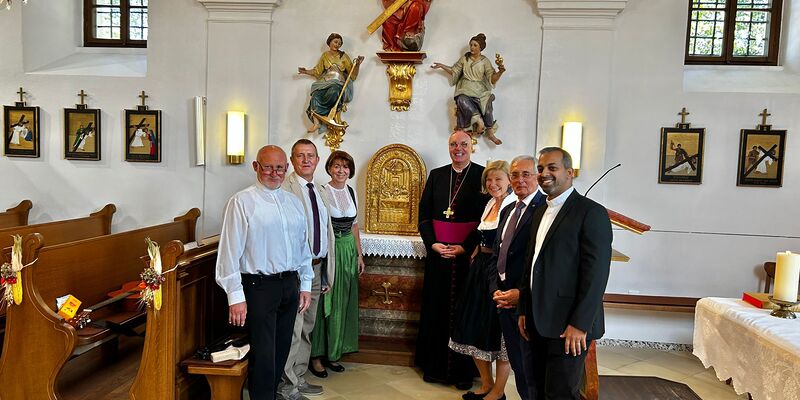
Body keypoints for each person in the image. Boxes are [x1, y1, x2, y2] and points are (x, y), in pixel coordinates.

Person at [215, 145, 314, 400]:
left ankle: (270, 395)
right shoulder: (241, 202)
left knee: (281, 350)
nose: (274, 173)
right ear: (256, 167)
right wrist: (235, 296)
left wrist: (305, 284)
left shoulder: (293, 203)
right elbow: (229, 252)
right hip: (259, 287)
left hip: (289, 284)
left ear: (287, 168)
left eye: (279, 168)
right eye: (268, 167)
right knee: (264, 354)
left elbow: (302, 247)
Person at [517, 147, 612, 400]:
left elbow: (596, 275)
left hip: (568, 324)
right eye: (540, 169)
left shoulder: (591, 212)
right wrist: (524, 309)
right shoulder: (539, 211)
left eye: (552, 168)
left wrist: (579, 324)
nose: (544, 173)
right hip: (536, 318)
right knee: (536, 389)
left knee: (560, 393)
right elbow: (531, 263)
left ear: (570, 173)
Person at [416, 130, 490, 389]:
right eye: (453, 144)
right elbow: (424, 215)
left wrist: (464, 247)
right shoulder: (437, 175)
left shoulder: (483, 176)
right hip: (438, 256)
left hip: (467, 257)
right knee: (436, 309)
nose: (458, 148)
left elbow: (486, 219)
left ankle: (463, 372)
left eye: (463, 144)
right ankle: (434, 367)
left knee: (464, 313)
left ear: (472, 147)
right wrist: (432, 243)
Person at [449, 160, 515, 400]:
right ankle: (487, 384)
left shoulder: (512, 205)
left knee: (498, 331)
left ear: (509, 181)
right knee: (474, 326)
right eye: (489, 179)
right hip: (480, 269)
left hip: (500, 271)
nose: (493, 183)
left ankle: (498, 391)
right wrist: (476, 250)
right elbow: (482, 235)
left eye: (498, 179)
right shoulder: (489, 203)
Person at [279, 139, 336, 400]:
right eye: (300, 155)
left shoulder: (320, 190)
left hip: (316, 268)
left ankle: (298, 376)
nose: (306, 160)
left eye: (310, 155)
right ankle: (285, 384)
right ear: (292, 160)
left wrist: (324, 272)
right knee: (293, 327)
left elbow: (326, 232)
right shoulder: (285, 188)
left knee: (307, 327)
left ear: (317, 160)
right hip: (296, 271)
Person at [486, 155, 546, 400]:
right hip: (503, 298)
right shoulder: (509, 209)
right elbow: (497, 254)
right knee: (519, 366)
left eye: (526, 174)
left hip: (526, 301)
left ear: (537, 177)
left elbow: (542, 261)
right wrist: (495, 288)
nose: (520, 180)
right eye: (515, 175)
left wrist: (521, 294)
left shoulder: (544, 209)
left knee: (532, 369)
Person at [309, 150, 365, 378]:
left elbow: (354, 226)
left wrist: (359, 255)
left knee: (343, 301)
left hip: (349, 251)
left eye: (345, 167)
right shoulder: (322, 192)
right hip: (331, 251)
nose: (341, 170)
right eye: (337, 166)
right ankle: (316, 356)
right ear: (329, 168)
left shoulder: (351, 192)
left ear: (350, 170)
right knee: (326, 301)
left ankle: (334, 352)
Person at [431, 33, 505, 145]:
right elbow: (454, 71)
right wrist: (442, 66)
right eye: (471, 45)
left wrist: (500, 72)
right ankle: (478, 120)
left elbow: (492, 78)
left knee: (488, 109)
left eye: (475, 45)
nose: (472, 47)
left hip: (480, 90)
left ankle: (490, 132)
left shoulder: (485, 61)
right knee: (461, 99)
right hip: (465, 88)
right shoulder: (464, 59)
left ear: (480, 47)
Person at [298, 33, 364, 133]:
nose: (337, 45)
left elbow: (352, 74)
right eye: (335, 42)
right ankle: (316, 122)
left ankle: (328, 113)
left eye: (339, 43)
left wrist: (357, 64)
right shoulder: (325, 55)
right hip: (325, 82)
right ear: (330, 42)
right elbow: (317, 71)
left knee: (334, 90)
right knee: (315, 95)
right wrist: (306, 71)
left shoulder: (343, 56)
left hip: (338, 82)